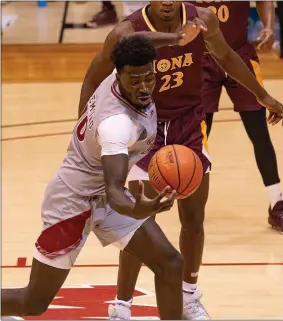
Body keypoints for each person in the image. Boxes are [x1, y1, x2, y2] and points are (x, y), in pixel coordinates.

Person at [78, 2, 283, 320]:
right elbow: (93, 78)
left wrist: (261, 94)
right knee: (138, 224)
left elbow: (228, 57)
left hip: (189, 124)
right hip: (142, 125)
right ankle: (122, 305)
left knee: (194, 219)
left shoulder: (202, 20)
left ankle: (188, 296)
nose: (166, 3)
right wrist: (85, 138)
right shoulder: (128, 31)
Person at [0, 35, 192, 321]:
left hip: (101, 193)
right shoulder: (116, 125)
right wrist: (139, 209)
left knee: (171, 263)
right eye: (135, 80)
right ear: (121, 73)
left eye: (149, 77)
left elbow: (120, 42)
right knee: (33, 302)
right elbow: (116, 192)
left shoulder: (118, 68)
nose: (143, 87)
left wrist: (175, 37)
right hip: (72, 203)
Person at [190, 1, 283, 234]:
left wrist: (269, 26)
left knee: (259, 133)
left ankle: (277, 204)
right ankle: (193, 204)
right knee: (200, 137)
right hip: (200, 59)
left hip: (239, 55)